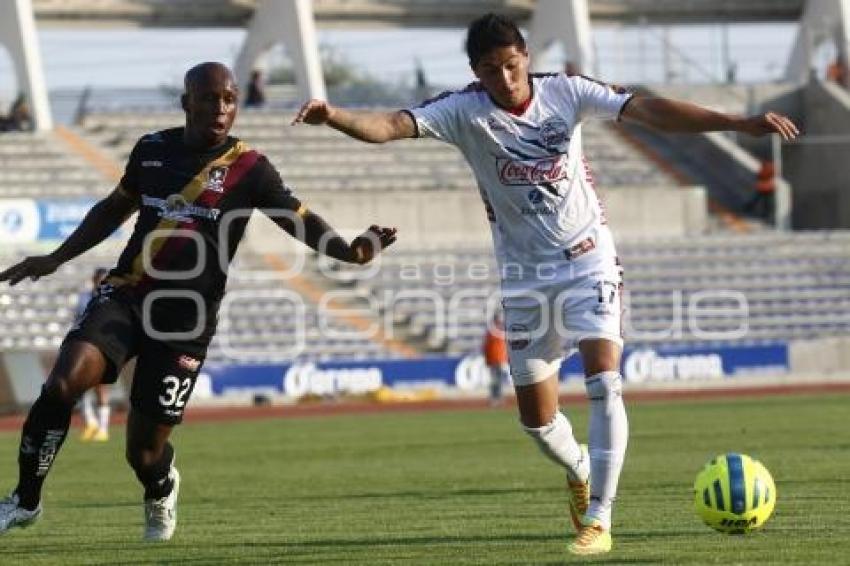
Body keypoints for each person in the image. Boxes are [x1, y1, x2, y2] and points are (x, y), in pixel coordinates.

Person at [292, 13, 799, 556]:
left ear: (526, 57)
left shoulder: (568, 92)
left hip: (588, 260)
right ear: (475, 72)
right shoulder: (463, 111)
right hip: (525, 278)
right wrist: (335, 116)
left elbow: (647, 110)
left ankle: (600, 519)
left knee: (605, 380)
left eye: (512, 66)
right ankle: (579, 466)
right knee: (537, 422)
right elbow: (390, 125)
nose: (505, 80)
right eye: (492, 71)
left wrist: (737, 123)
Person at [0, 62, 397, 541]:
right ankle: (24, 500)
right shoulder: (151, 150)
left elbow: (300, 221)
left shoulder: (251, 168)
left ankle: (161, 484)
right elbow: (113, 208)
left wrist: (353, 253)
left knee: (143, 453)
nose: (221, 108)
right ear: (187, 102)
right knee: (62, 384)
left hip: (186, 322)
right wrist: (57, 257)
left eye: (229, 99)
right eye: (209, 98)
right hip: (126, 295)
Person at [77, 267, 112, 442]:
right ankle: (91, 422)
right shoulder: (85, 297)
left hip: (103, 346)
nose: (101, 282)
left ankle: (103, 428)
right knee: (79, 387)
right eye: (100, 279)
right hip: (84, 346)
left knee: (100, 387)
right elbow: (79, 319)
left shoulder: (110, 298)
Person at [482, 311, 508, 406]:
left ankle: (497, 397)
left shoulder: (497, 332)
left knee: (497, 380)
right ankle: (495, 398)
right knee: (495, 380)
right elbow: (487, 347)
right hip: (495, 359)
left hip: (499, 359)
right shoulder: (494, 332)